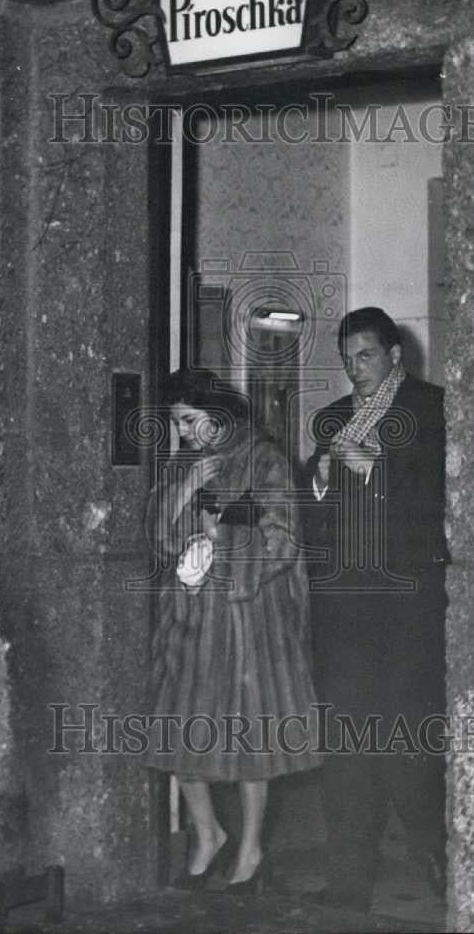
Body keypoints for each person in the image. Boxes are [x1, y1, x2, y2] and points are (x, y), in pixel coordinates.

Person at [143, 367, 321, 894]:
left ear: (216, 414)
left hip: (248, 615)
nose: (184, 433)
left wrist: (223, 553)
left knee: (250, 738)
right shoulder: (183, 463)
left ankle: (251, 847)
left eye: (190, 420)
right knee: (178, 729)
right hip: (192, 614)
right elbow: (156, 536)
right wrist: (189, 488)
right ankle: (208, 835)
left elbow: (282, 540)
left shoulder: (264, 457)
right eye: (177, 423)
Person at [303, 306, 450, 913]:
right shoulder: (335, 420)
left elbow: (437, 505)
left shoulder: (431, 408)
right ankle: (347, 883)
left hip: (405, 608)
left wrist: (374, 471)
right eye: (345, 358)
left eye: (364, 356)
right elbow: (313, 512)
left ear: (395, 354)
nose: (353, 369)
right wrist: (319, 478)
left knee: (406, 742)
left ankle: (439, 858)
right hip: (343, 608)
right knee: (344, 742)